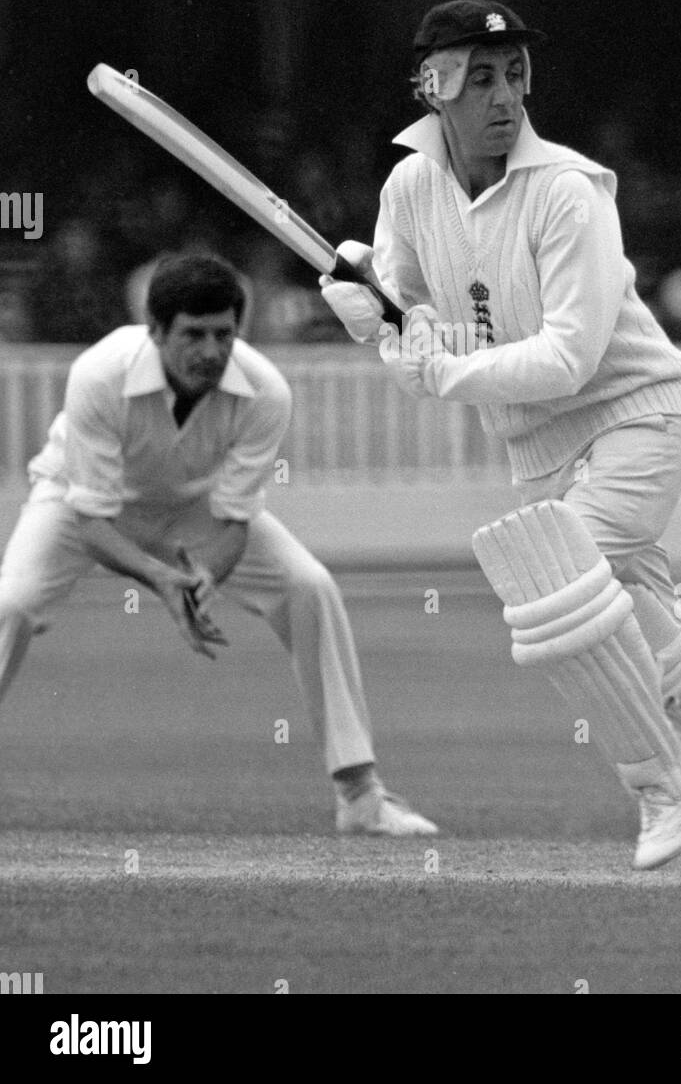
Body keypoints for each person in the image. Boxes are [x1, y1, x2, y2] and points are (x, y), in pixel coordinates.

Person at [321, 0, 681, 870]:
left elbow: (568, 357)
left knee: (558, 584)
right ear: (434, 87)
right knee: (654, 651)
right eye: (481, 78)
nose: (506, 96)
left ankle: (662, 782)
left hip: (636, 419)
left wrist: (436, 366)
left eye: (516, 74)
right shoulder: (408, 188)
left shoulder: (569, 192)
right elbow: (407, 319)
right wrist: (368, 315)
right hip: (537, 449)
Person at [0, 252, 436, 837]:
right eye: (193, 335)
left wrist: (203, 577)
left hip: (195, 511)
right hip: (78, 503)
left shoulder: (266, 393)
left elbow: (234, 519)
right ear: (154, 332)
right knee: (11, 605)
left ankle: (360, 795)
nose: (210, 351)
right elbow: (91, 518)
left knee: (310, 588)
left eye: (224, 334)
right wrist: (162, 582)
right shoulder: (98, 374)